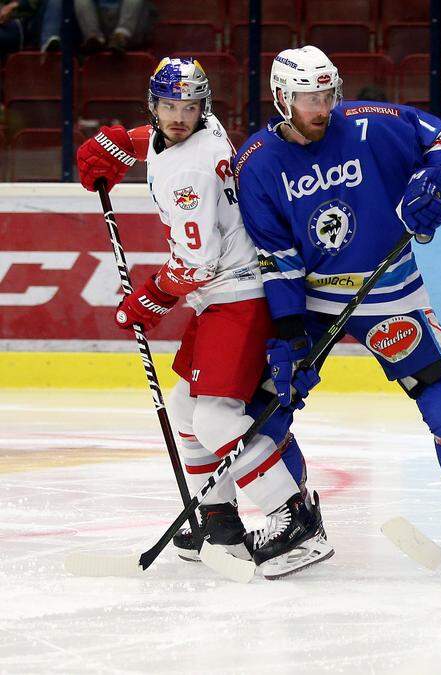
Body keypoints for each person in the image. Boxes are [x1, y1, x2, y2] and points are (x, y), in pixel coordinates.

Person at [233, 46, 441, 573]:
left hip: (390, 290)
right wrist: (289, 332)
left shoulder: (371, 124)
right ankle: (297, 516)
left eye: (326, 94)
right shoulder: (257, 163)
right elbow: (276, 258)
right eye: (307, 99)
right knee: (265, 406)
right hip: (315, 300)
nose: (321, 107)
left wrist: (434, 178)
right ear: (281, 99)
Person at [72, 57, 330, 579]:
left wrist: (149, 298)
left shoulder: (191, 170)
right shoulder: (198, 130)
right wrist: (124, 141)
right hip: (221, 297)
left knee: (214, 420)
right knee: (186, 413)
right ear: (155, 104)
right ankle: (219, 520)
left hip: (236, 294)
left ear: (203, 108)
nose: (179, 117)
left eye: (189, 107)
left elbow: (196, 263)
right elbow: (165, 135)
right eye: (169, 106)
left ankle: (295, 519)